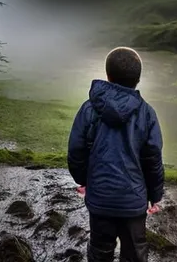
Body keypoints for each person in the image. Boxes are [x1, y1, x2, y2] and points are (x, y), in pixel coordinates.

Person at [67, 47, 164, 262]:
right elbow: (153, 158)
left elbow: (76, 150)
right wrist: (155, 195)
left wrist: (83, 180)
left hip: (100, 198)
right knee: (135, 253)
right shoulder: (147, 113)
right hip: (133, 202)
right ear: (138, 79)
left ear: (108, 76)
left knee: (100, 250)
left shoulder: (89, 108)